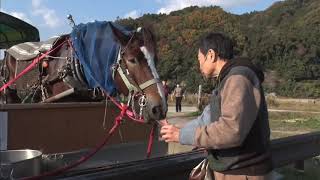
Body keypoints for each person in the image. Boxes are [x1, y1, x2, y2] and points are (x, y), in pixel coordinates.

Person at [160, 33, 272, 180]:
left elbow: (231, 130)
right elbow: (208, 119)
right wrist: (178, 131)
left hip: (242, 171)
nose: (199, 65)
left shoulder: (237, 79)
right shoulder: (227, 80)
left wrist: (181, 135)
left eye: (200, 60)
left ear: (211, 55)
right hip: (234, 168)